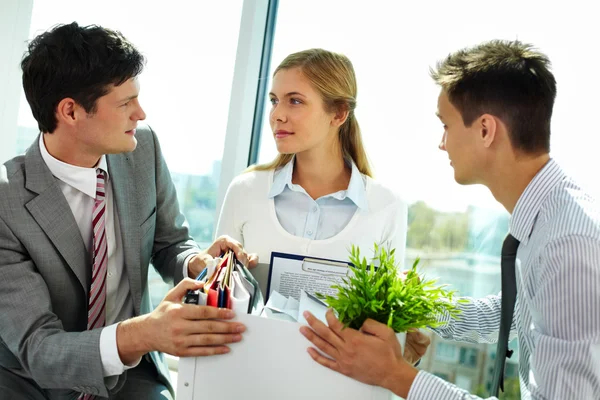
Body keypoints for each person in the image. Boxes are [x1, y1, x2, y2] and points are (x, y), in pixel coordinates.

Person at [300, 40, 600, 399]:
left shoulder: (566, 244)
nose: (442, 143)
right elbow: (508, 312)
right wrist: (413, 306)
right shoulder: (546, 220)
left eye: (446, 125)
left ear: (486, 130)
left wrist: (397, 377)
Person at [0, 22, 255, 400]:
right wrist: (146, 332)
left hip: (131, 374)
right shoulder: (6, 202)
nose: (141, 113)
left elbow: (170, 242)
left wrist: (198, 263)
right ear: (70, 111)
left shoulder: (142, 149)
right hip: (34, 383)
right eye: (125, 103)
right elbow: (39, 348)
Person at [216, 48, 407, 267]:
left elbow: (386, 301)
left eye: (295, 101)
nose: (277, 114)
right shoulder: (245, 191)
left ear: (338, 113)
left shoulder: (387, 207)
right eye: (274, 101)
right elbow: (216, 294)